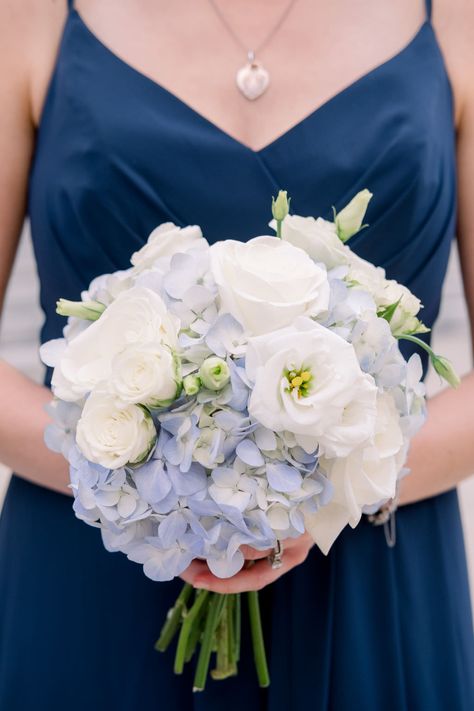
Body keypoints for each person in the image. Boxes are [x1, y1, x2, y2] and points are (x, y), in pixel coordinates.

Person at [0, 0, 473, 708]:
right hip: (91, 573)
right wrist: (160, 495)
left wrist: (315, 495)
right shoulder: (28, 15)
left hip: (373, 582)